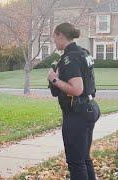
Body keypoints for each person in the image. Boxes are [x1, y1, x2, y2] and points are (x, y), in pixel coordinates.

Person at [47, 22, 100, 180]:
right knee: (84, 158)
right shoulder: (83, 52)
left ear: (60, 35)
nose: (54, 42)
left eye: (54, 38)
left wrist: (54, 80)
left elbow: (77, 89)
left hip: (77, 113)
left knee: (76, 163)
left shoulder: (71, 58)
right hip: (89, 108)